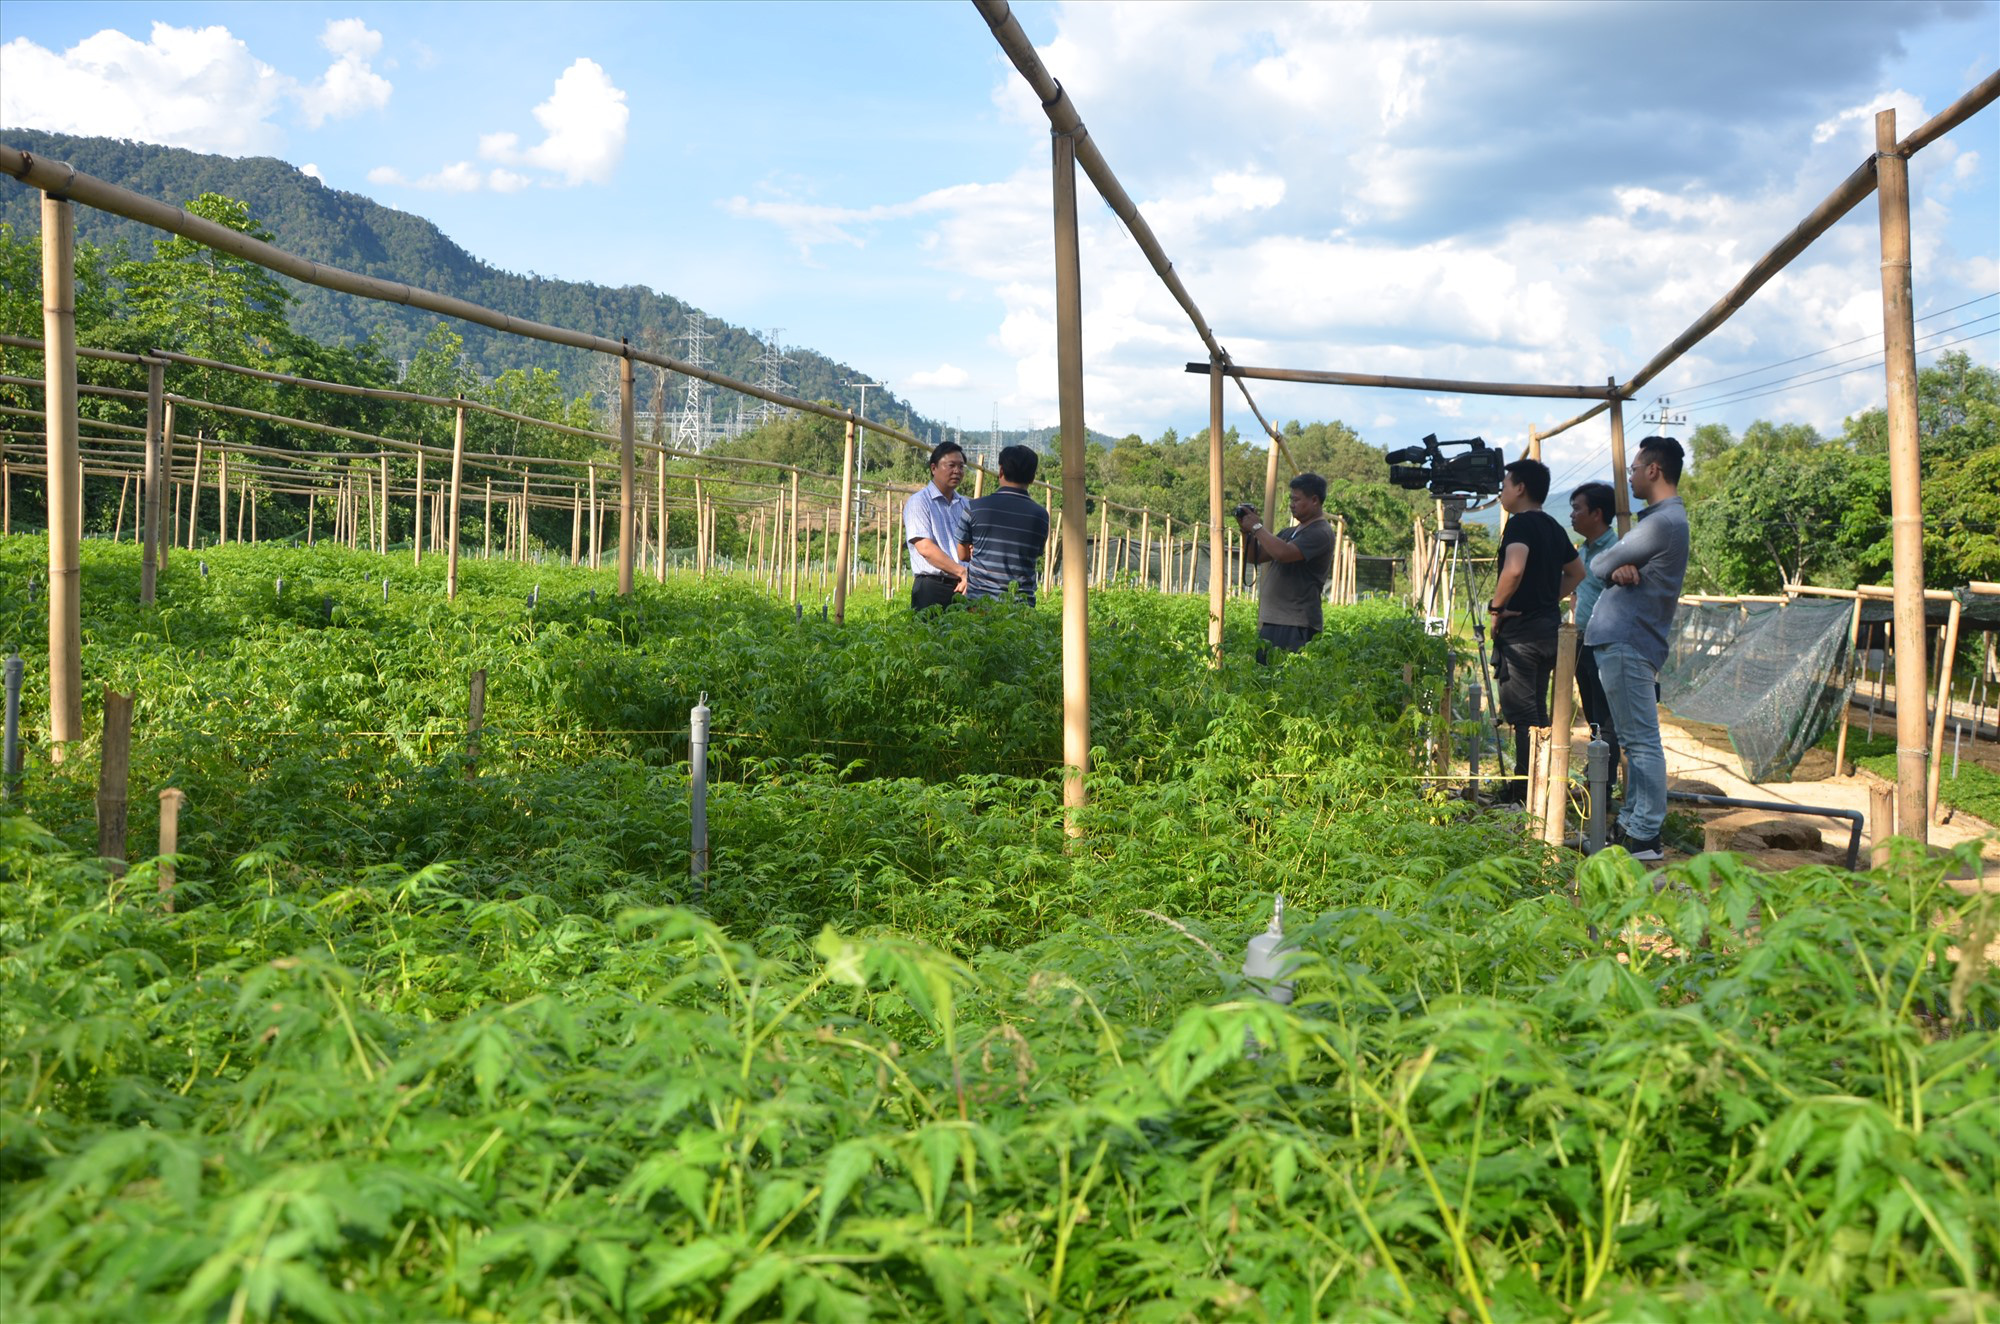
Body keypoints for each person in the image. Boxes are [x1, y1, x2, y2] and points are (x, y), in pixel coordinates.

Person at [1584, 436, 1689, 861]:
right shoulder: (1662, 522)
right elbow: (1609, 565)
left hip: (1629, 641)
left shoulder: (1662, 523)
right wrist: (1618, 565)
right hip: (1623, 641)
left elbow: (1597, 564)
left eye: (1634, 468)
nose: (1629, 475)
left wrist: (1614, 564)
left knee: (1641, 740)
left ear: (1654, 471)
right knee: (1633, 738)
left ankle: (1644, 834)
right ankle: (1632, 824)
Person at [1489, 458, 1585, 804]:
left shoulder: (1520, 526)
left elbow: (1513, 570)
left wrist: (1496, 608)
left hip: (1523, 635)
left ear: (1520, 488)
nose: (1501, 491)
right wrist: (1547, 598)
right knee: (1537, 712)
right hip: (1548, 632)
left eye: (1505, 484)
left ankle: (1525, 792)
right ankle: (1537, 786)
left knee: (1523, 715)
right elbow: (1577, 573)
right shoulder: (1554, 527)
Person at [1234, 472, 1335, 662]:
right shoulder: (1289, 532)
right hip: (1274, 621)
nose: (1291, 504)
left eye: (1297, 499)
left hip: (1295, 625)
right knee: (1265, 683)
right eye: (1291, 499)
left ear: (1314, 500)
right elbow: (1255, 556)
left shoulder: (1321, 532)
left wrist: (1257, 528)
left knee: (1283, 683)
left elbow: (1284, 554)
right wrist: (1246, 531)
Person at [1568, 481, 1621, 796]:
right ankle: (1595, 779)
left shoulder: (1616, 551)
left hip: (1605, 643)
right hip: (1582, 641)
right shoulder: (1583, 550)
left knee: (1606, 719)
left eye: (1578, 509)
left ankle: (1602, 787)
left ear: (1597, 513)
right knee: (1593, 717)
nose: (1572, 515)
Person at [954, 444, 1050, 604]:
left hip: (979, 604)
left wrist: (978, 550)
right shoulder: (1041, 516)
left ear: (1000, 471)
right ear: (1032, 478)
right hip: (1021, 607)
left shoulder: (974, 508)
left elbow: (962, 555)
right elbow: (1034, 553)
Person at [902, 441, 971, 611]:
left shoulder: (966, 504)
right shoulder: (919, 502)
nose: (957, 471)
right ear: (934, 468)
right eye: (951, 465)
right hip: (932, 588)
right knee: (928, 636)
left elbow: (972, 546)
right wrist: (961, 572)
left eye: (961, 467)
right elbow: (925, 548)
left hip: (963, 588)